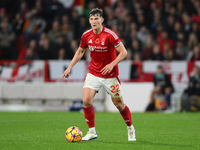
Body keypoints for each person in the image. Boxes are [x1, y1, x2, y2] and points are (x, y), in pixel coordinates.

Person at [62, 8, 136, 141]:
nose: (94, 21)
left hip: (110, 75)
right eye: (91, 19)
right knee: (86, 101)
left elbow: (124, 53)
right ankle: (91, 132)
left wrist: (111, 64)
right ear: (89, 21)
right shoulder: (86, 35)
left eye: (96, 18)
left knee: (119, 105)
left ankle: (130, 128)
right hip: (94, 73)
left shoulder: (110, 35)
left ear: (102, 20)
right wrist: (70, 67)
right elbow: (80, 52)